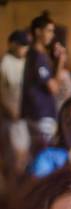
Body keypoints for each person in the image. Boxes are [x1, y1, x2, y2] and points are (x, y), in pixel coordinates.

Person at [22, 11, 65, 155]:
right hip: (41, 117)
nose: (52, 35)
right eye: (49, 31)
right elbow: (53, 87)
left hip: (36, 116)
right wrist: (61, 63)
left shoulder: (37, 54)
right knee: (43, 157)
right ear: (38, 32)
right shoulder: (36, 56)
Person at [0, 30, 30, 183]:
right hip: (10, 119)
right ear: (12, 44)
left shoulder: (26, 62)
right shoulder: (4, 64)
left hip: (24, 119)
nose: (25, 49)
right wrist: (10, 111)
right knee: (13, 159)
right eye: (22, 45)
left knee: (23, 158)